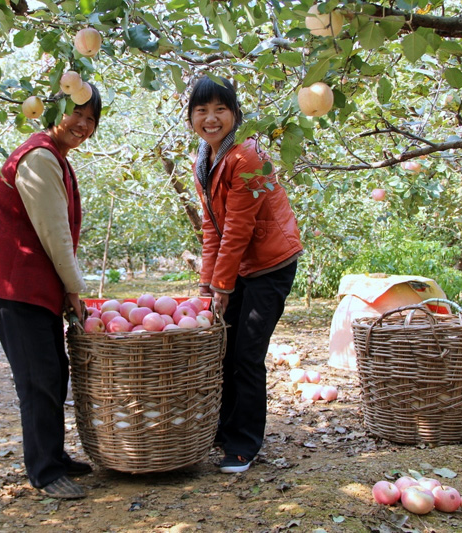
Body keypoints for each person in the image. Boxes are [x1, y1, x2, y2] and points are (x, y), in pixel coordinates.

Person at [0, 84, 102, 499]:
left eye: (91, 119)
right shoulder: (40, 157)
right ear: (55, 111)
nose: (83, 124)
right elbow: (54, 233)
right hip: (16, 285)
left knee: (53, 372)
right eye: (77, 113)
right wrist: (75, 288)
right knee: (37, 378)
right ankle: (44, 470)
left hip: (31, 285)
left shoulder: (52, 155)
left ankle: (53, 455)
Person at [187, 76, 303, 474]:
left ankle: (243, 444)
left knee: (246, 354)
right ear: (191, 118)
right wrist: (207, 287)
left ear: (235, 114)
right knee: (224, 349)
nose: (211, 118)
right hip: (240, 265)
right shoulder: (204, 160)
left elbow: (237, 229)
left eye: (220, 109)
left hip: (271, 264)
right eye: (202, 110)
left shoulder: (248, 157)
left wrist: (222, 286)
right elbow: (212, 228)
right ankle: (224, 429)